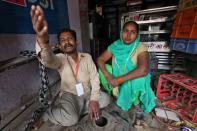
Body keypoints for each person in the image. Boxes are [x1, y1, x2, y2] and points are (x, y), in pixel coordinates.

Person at [30, 5, 110, 126]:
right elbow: (47, 59)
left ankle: (80, 109)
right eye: (63, 40)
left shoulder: (87, 57)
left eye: (70, 38)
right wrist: (42, 41)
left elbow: (94, 78)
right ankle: (50, 113)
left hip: (87, 93)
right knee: (71, 120)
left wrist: (93, 99)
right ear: (60, 46)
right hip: (70, 95)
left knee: (106, 99)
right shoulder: (60, 59)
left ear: (76, 42)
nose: (67, 42)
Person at [97, 21, 156, 113]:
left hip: (130, 79)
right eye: (126, 31)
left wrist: (118, 80)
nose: (128, 35)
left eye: (133, 32)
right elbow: (100, 59)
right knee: (103, 69)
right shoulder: (116, 45)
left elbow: (143, 70)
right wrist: (108, 75)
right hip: (115, 79)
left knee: (141, 79)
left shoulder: (140, 47)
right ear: (121, 32)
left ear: (137, 35)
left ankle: (135, 101)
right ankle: (114, 92)